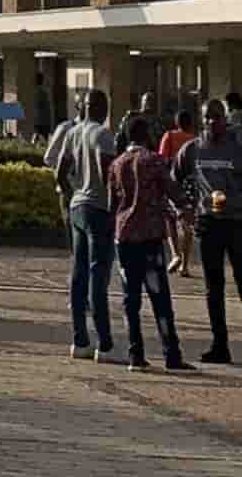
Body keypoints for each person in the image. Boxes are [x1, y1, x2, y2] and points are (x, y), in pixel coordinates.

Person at [185, 95, 242, 369]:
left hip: (235, 225)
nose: (213, 122)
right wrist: (188, 208)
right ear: (202, 120)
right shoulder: (193, 149)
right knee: (214, 289)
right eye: (208, 117)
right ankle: (219, 345)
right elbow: (174, 180)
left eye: (217, 116)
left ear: (226, 119)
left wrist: (234, 203)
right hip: (209, 225)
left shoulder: (240, 151)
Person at [106, 107, 186, 371]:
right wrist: (186, 209)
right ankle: (171, 355)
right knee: (159, 297)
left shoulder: (116, 164)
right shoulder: (154, 161)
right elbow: (173, 190)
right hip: (150, 237)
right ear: (145, 135)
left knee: (131, 299)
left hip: (124, 238)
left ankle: (135, 354)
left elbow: (112, 204)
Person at [44, 88, 117, 361]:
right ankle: (106, 345)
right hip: (99, 209)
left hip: (77, 208)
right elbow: (106, 173)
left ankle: (80, 340)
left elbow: (59, 173)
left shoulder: (73, 132)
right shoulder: (102, 134)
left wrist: (73, 194)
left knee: (78, 273)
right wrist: (112, 205)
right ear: (102, 109)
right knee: (98, 277)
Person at [161, 100, 202, 275]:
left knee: (169, 219)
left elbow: (162, 160)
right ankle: (185, 266)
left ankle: (175, 254)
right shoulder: (196, 140)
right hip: (192, 184)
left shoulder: (169, 136)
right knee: (188, 222)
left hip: (173, 181)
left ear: (176, 122)